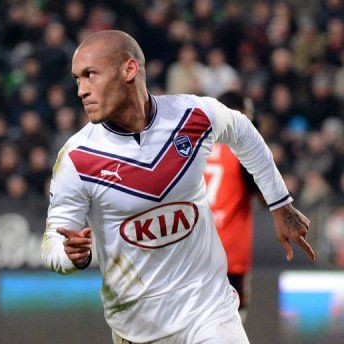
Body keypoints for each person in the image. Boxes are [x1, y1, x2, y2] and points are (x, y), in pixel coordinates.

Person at [41, 30, 315, 344]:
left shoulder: (191, 115)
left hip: (209, 310)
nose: (81, 90)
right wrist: (69, 255)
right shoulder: (77, 158)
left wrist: (280, 204)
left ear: (129, 70)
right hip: (138, 326)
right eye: (77, 79)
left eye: (90, 75)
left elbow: (243, 131)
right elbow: (53, 239)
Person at [203, 91, 258, 324]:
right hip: (231, 255)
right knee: (232, 324)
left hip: (197, 252)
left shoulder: (196, 147)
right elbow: (266, 196)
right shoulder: (243, 151)